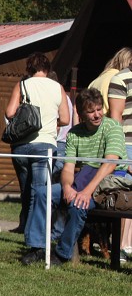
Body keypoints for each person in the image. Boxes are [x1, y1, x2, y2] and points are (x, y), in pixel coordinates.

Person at [47, 88, 127, 266]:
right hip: (81, 180)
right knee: (43, 193)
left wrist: (86, 192)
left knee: (78, 204)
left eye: (99, 109)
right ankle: (37, 247)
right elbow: (68, 168)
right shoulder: (74, 133)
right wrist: (67, 188)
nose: (97, 114)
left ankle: (61, 254)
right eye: (91, 111)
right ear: (81, 113)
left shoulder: (112, 126)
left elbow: (110, 164)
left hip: (108, 184)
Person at [6, 53, 70, 264]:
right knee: (39, 194)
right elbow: (66, 118)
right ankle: (34, 244)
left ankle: (30, 237)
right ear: (47, 67)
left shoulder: (22, 85)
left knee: (27, 193)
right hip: (45, 147)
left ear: (29, 68)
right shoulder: (57, 87)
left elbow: (9, 112)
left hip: (22, 146)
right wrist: (49, 122)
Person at [105, 47, 132, 256]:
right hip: (128, 145)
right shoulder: (121, 79)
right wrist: (121, 152)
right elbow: (116, 118)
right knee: (124, 198)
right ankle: (121, 248)